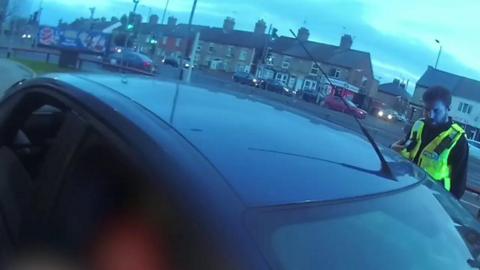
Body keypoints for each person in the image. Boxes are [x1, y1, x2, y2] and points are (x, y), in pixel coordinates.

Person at [391, 86, 469, 199]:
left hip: (433, 200)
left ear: (448, 108)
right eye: (426, 109)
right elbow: (403, 151)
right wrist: (392, 150)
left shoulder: (457, 139)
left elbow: (458, 186)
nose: (430, 115)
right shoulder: (418, 126)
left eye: (436, 110)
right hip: (407, 190)